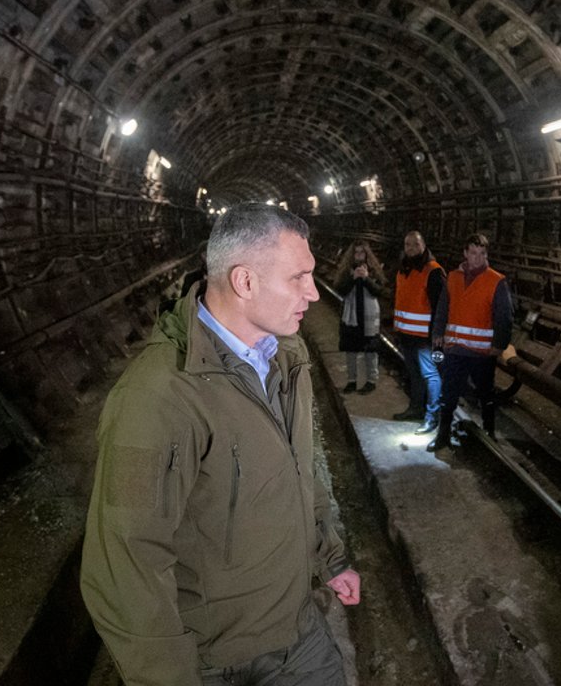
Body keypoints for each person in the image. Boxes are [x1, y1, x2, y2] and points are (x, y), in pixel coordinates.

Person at [80, 203, 362, 686]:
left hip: (297, 627)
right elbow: (127, 562)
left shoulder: (285, 359)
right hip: (219, 659)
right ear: (245, 282)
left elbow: (298, 468)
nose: (313, 293)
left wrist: (329, 555)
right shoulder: (159, 398)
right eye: (298, 278)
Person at [427, 233, 512, 452]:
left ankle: (490, 432)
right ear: (465, 253)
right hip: (455, 349)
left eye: (482, 254)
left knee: (486, 393)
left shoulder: (496, 280)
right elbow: (443, 307)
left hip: (482, 352)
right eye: (473, 253)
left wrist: (499, 345)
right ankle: (443, 435)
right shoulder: (453, 277)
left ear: (486, 255)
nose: (477, 258)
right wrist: (438, 331)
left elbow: (504, 316)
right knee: (449, 393)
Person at [390, 231, 446, 434]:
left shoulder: (432, 271)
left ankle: (432, 417)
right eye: (407, 244)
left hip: (426, 338)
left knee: (430, 375)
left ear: (423, 245)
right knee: (414, 374)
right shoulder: (403, 270)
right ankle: (416, 409)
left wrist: (436, 336)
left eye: (415, 244)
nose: (411, 248)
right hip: (407, 335)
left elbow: (442, 306)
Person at [334, 239, 387, 394]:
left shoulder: (374, 270)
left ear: (366, 254)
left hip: (369, 316)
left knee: (370, 350)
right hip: (351, 316)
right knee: (350, 349)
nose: (359, 255)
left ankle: (371, 380)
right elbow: (340, 290)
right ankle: (352, 380)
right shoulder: (346, 270)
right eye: (356, 252)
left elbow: (379, 291)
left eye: (361, 252)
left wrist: (366, 279)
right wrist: (353, 278)